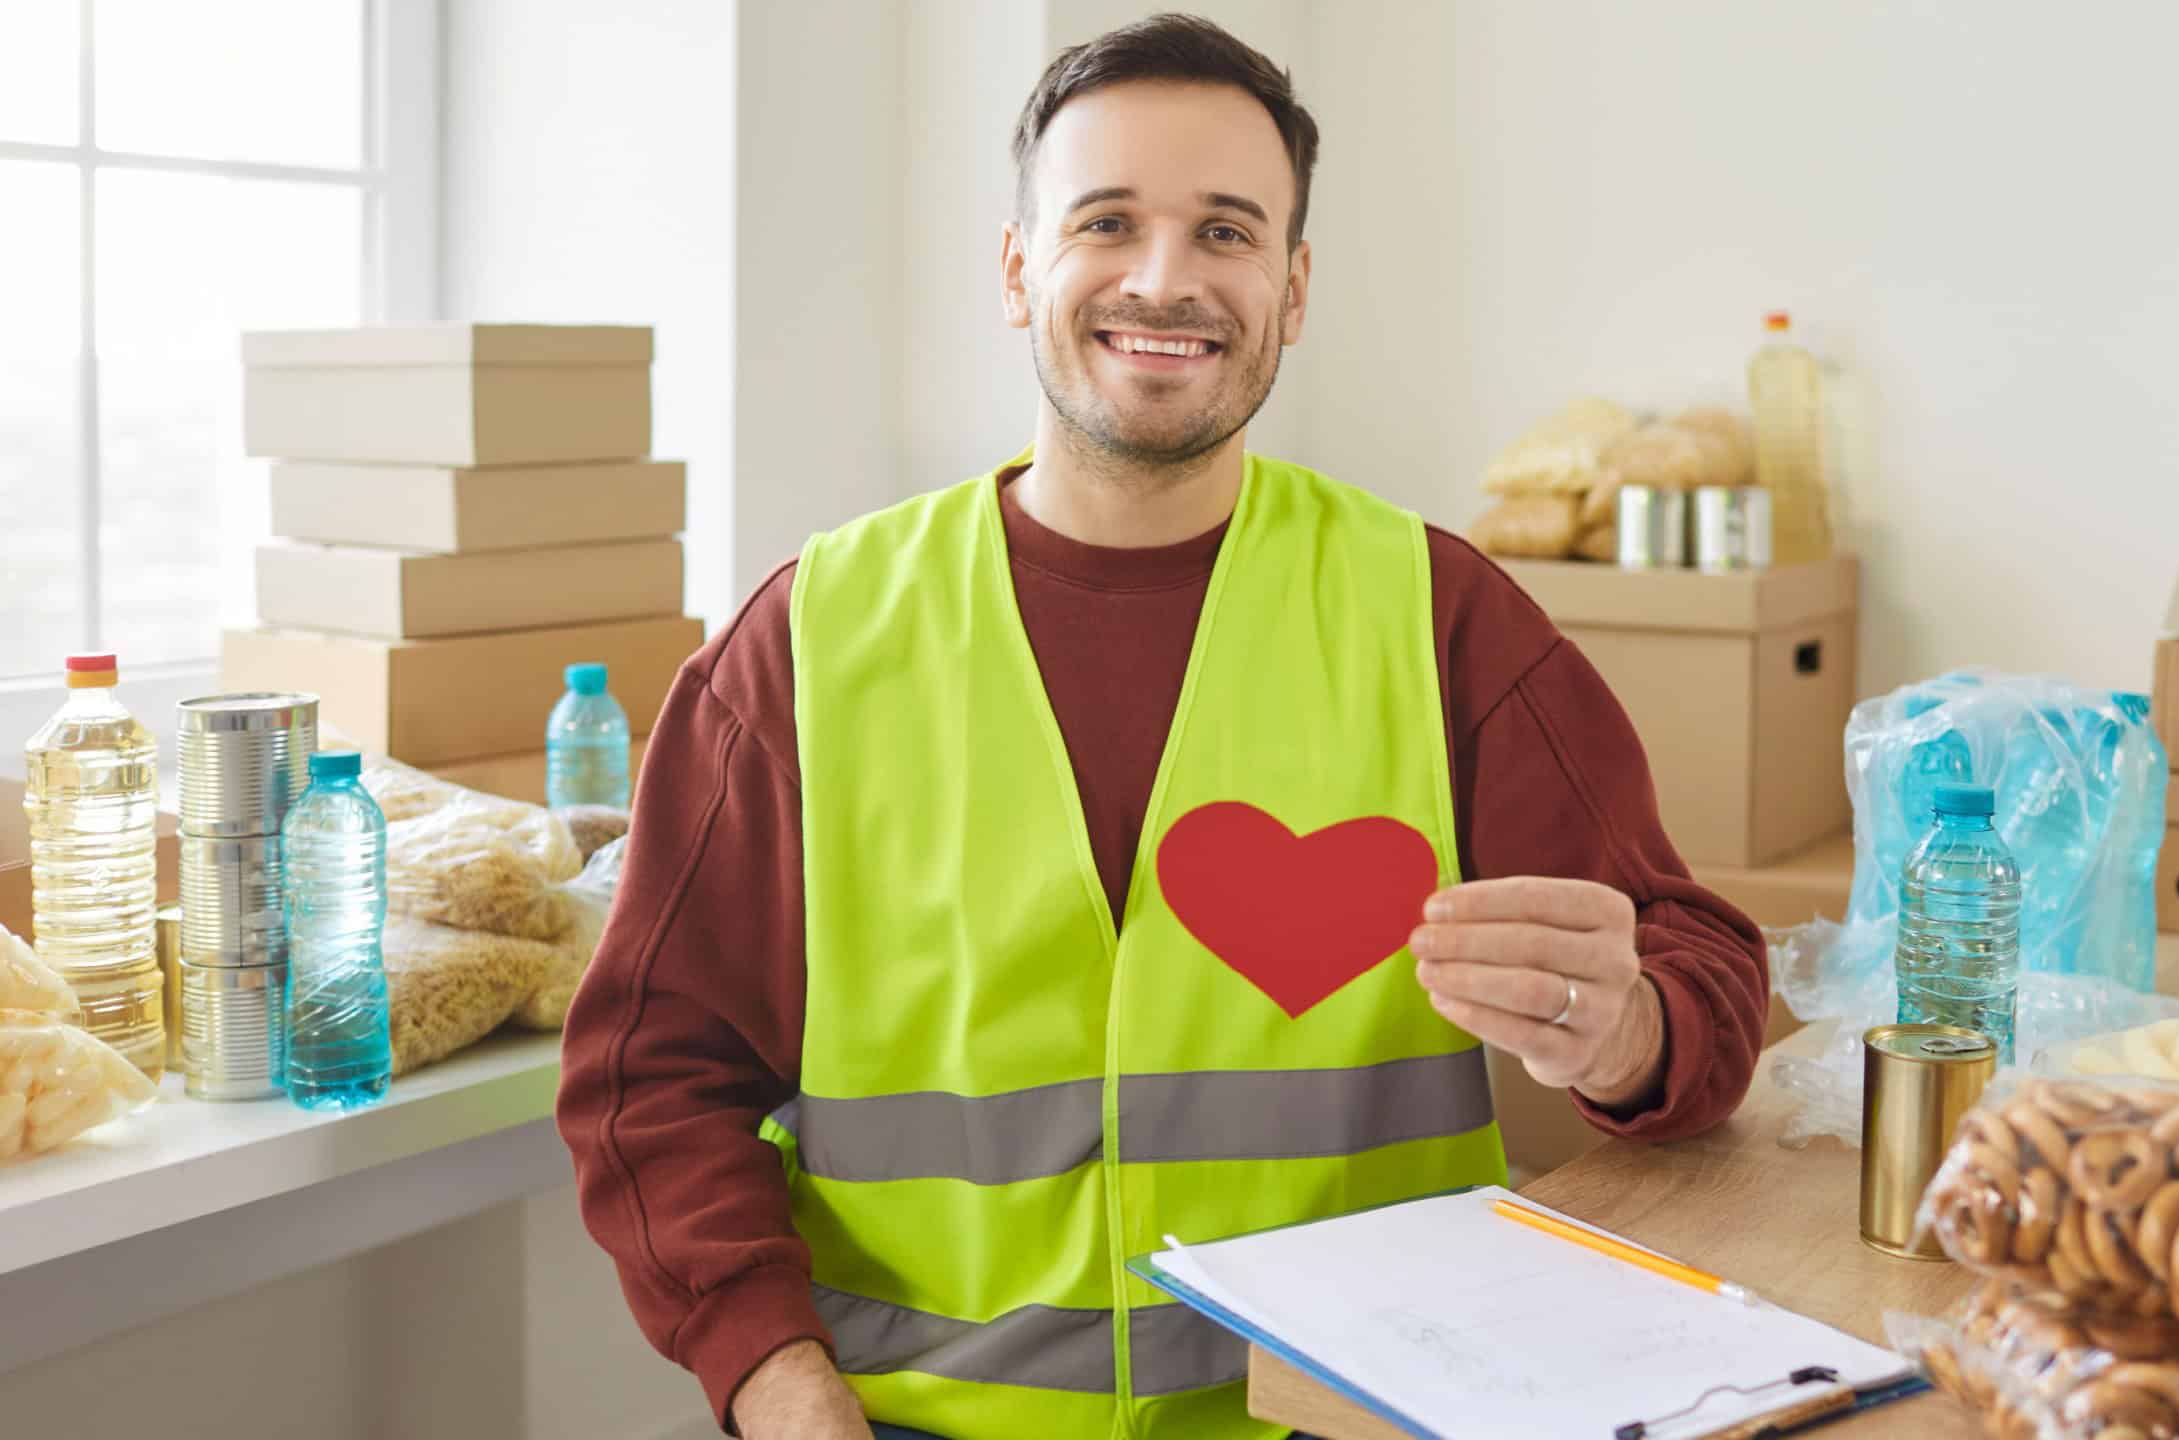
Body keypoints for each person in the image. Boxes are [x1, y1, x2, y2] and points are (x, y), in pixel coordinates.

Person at [557, 14, 1768, 1440]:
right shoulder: (807, 644)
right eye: (1108, 221)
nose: (1163, 279)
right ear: (1020, 269)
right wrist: (777, 1383)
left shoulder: (1439, 619)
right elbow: (652, 1076)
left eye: (1227, 233)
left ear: (1294, 290)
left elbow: (1703, 980)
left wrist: (1618, 1030)